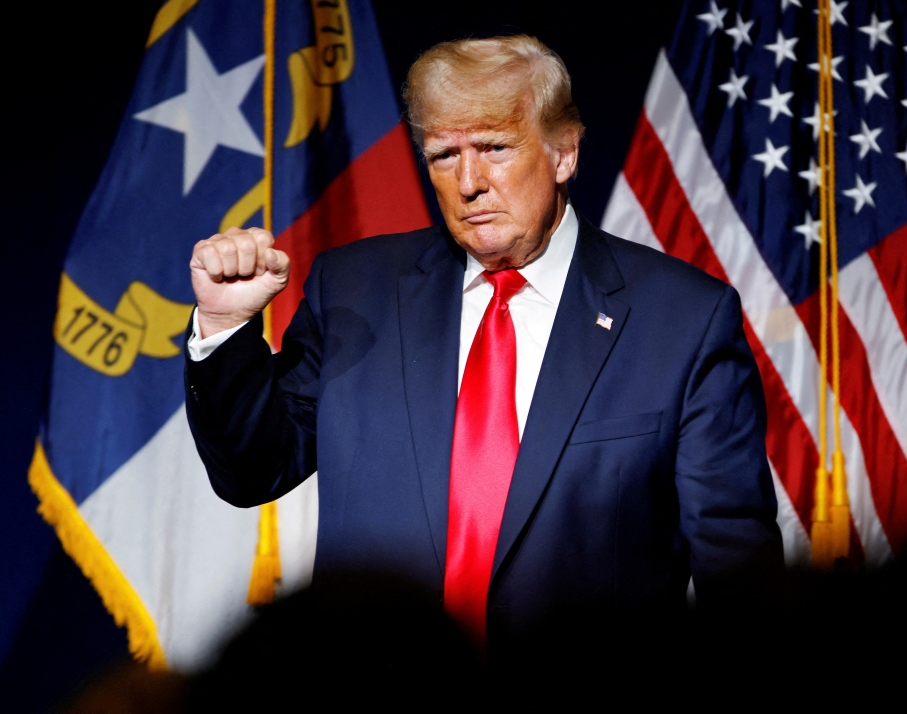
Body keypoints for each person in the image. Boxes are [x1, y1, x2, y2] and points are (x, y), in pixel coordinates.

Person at [185, 35, 783, 662]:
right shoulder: (356, 291)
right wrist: (225, 328)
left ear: (564, 153)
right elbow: (253, 471)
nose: (469, 182)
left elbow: (737, 575)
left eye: (495, 148)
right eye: (444, 155)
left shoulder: (683, 320)